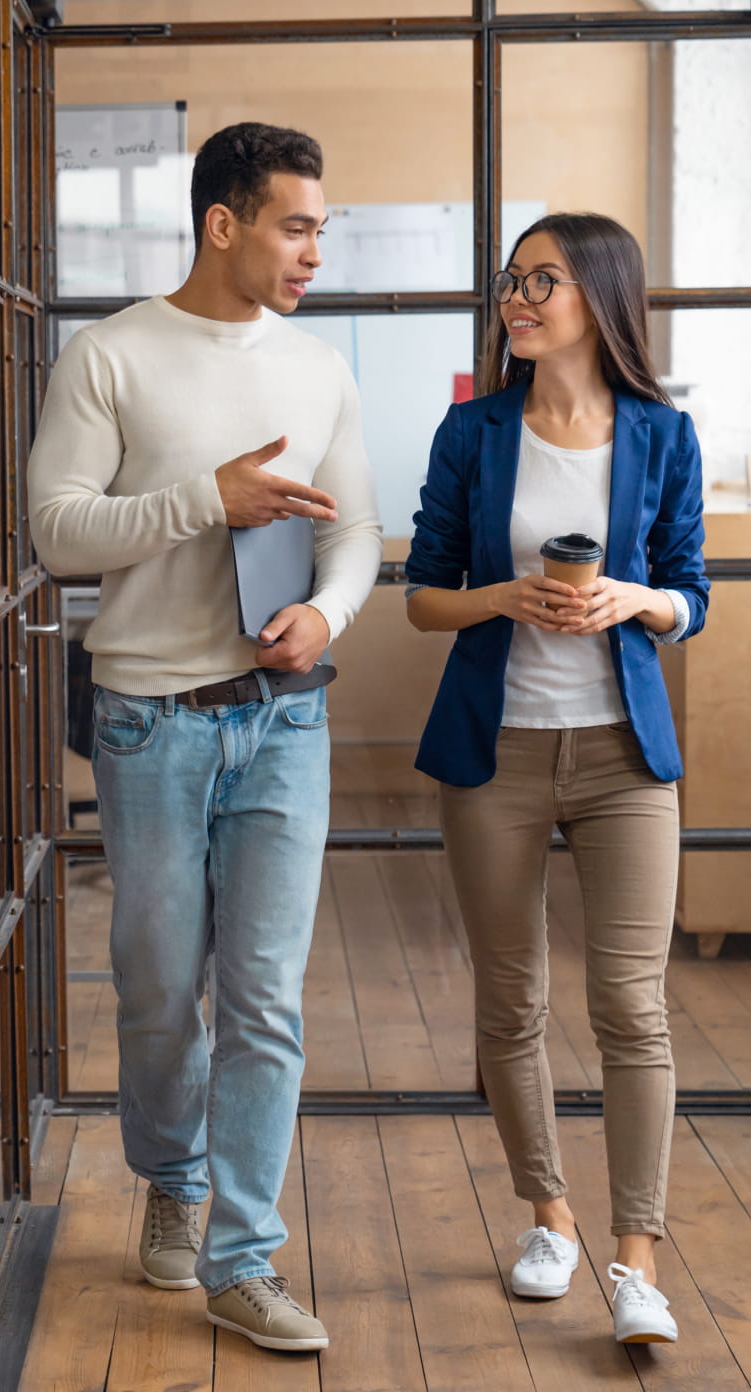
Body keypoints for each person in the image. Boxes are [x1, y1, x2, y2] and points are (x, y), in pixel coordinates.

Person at [28, 122, 381, 1352]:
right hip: (149, 726)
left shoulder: (320, 367)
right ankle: (171, 1185)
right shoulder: (111, 356)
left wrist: (322, 611)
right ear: (223, 223)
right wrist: (204, 501)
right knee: (160, 994)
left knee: (266, 996)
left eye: (322, 229)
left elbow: (356, 536)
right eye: (295, 225)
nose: (313, 252)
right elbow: (58, 535)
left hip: (287, 719)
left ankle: (243, 1256)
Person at [405, 211, 708, 1346]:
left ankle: (637, 1260)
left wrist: (636, 600)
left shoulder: (662, 435)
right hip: (498, 754)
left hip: (627, 758)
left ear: (600, 297)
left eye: (542, 279)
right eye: (511, 279)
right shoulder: (472, 431)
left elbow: (691, 591)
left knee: (631, 1006)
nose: (516, 299)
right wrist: (504, 596)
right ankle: (549, 1217)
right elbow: (421, 591)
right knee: (511, 1000)